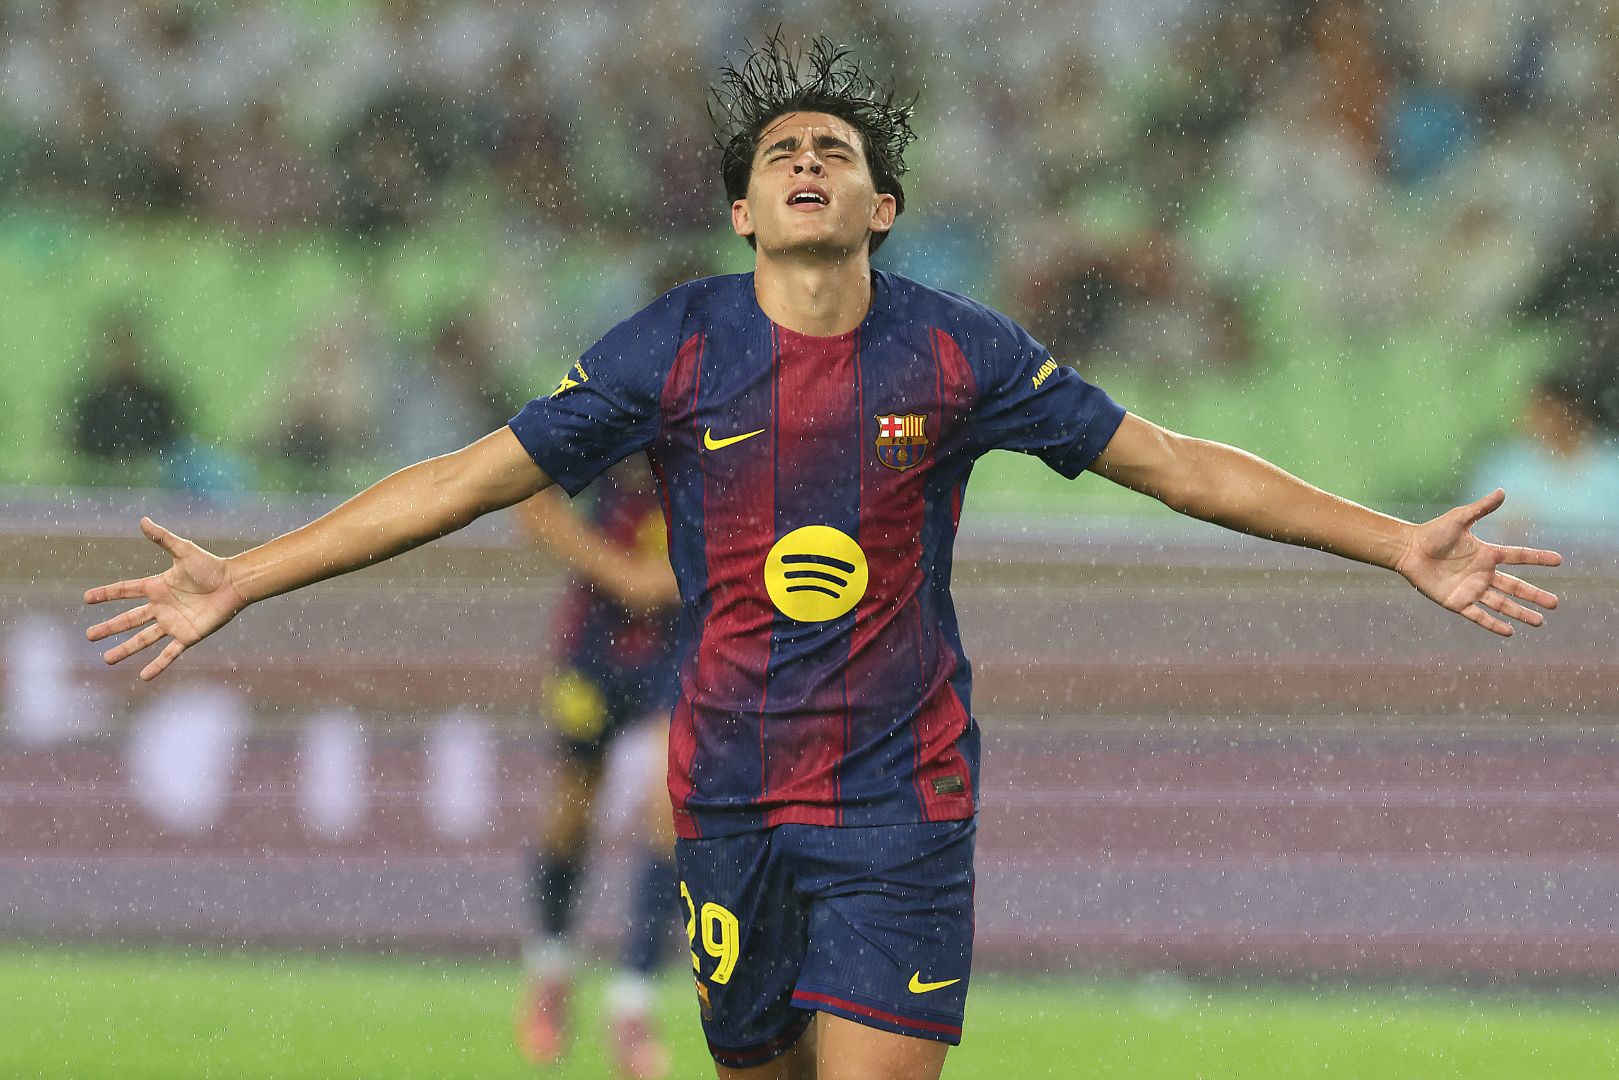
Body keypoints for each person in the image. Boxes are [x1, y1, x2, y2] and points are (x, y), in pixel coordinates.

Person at [86, 34, 1562, 1080]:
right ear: (740, 211)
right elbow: (462, 481)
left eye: (833, 153)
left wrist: (1389, 545)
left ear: (880, 207)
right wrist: (247, 575)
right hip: (724, 793)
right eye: (781, 153)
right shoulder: (668, 347)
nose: (806, 161)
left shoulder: (956, 350)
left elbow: (1173, 463)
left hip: (899, 802)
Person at [513, 459, 681, 1080]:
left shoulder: (715, 409)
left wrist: (664, 579)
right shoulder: (605, 407)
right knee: (568, 811)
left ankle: (632, 1004)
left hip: (679, 640)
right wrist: (620, 573)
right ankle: (552, 966)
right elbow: (530, 506)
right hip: (597, 640)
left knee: (670, 802)